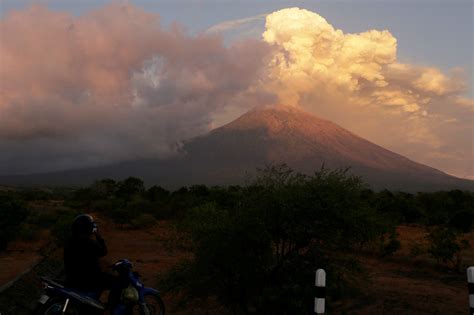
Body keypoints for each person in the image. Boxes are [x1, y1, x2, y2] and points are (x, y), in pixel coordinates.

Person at [64, 214, 125, 311]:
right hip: (90, 278)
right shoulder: (88, 242)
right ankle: (110, 309)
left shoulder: (70, 241)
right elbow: (103, 251)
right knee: (118, 282)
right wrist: (98, 235)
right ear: (87, 228)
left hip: (72, 278)